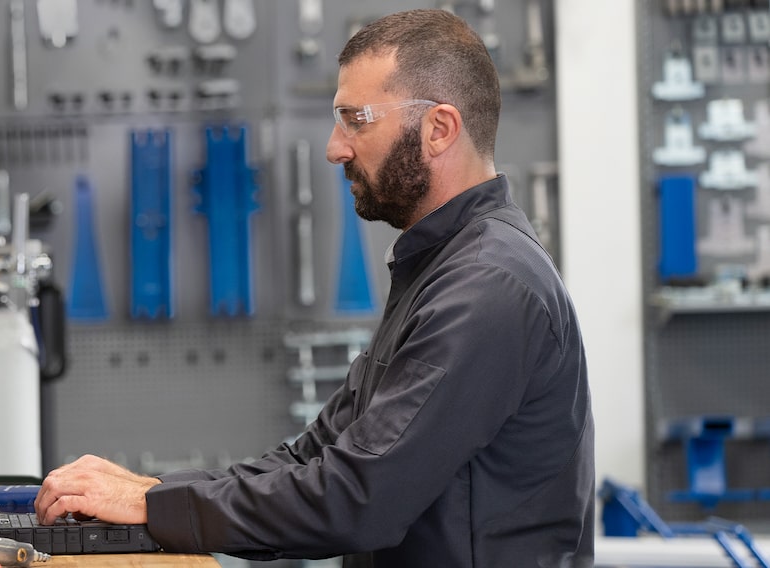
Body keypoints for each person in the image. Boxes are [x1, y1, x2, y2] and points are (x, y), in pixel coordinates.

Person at [33, 9, 595, 567]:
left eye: (357, 119)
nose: (335, 147)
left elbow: (356, 497)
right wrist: (152, 493)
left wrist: (155, 505)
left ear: (439, 129)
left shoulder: (488, 285)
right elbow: (313, 457)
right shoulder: (440, 268)